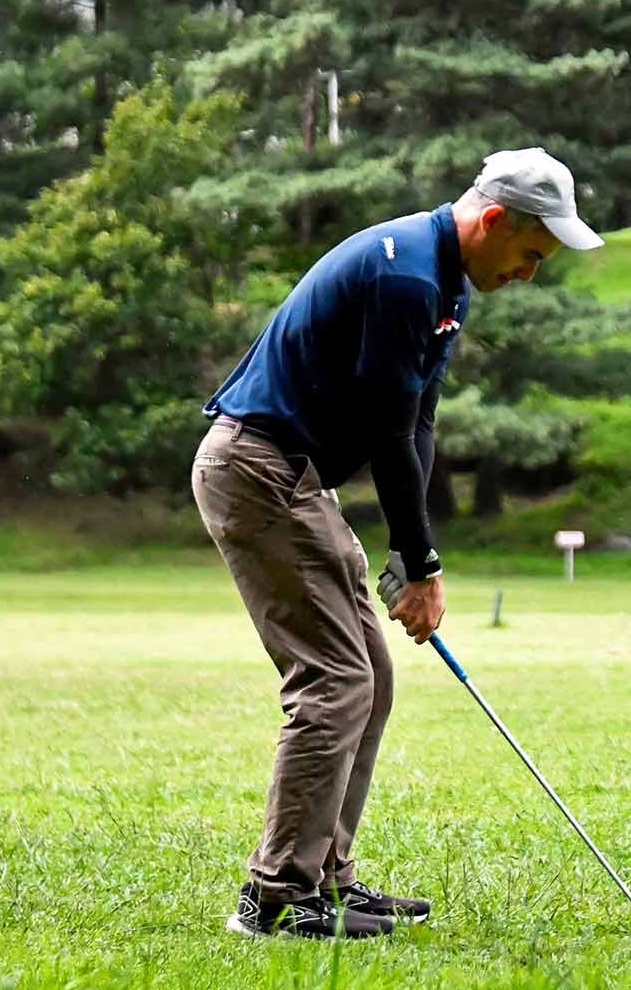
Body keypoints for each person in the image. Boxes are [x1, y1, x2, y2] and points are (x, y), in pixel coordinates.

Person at [192, 147, 604, 939]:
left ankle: (325, 879)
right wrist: (420, 567)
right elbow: (386, 430)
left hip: (293, 476)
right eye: (529, 254)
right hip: (257, 469)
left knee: (369, 675)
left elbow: (416, 423)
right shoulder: (406, 277)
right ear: (491, 221)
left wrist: (419, 556)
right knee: (335, 679)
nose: (529, 274)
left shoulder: (444, 279)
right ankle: (277, 897)